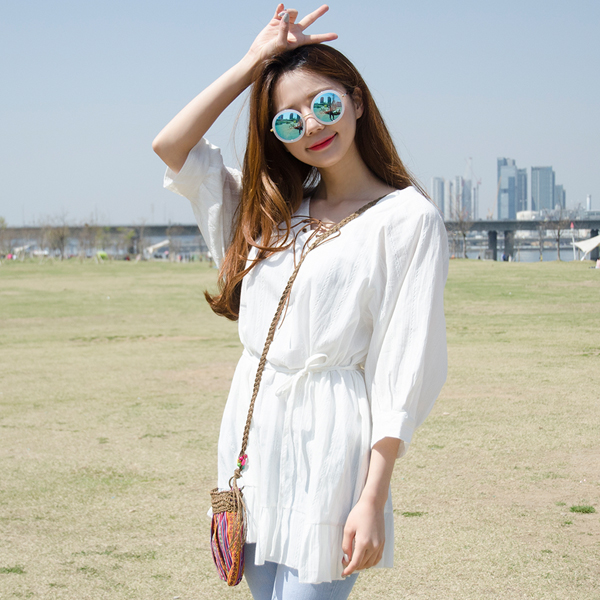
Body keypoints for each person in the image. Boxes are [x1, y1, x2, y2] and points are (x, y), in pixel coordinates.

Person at [153, 5, 448, 599]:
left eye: (325, 104)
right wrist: (252, 64)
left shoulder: (407, 218)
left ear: (356, 100)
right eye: (288, 121)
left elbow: (403, 368)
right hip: (253, 434)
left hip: (333, 440)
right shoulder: (269, 209)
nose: (312, 126)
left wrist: (373, 497)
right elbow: (171, 146)